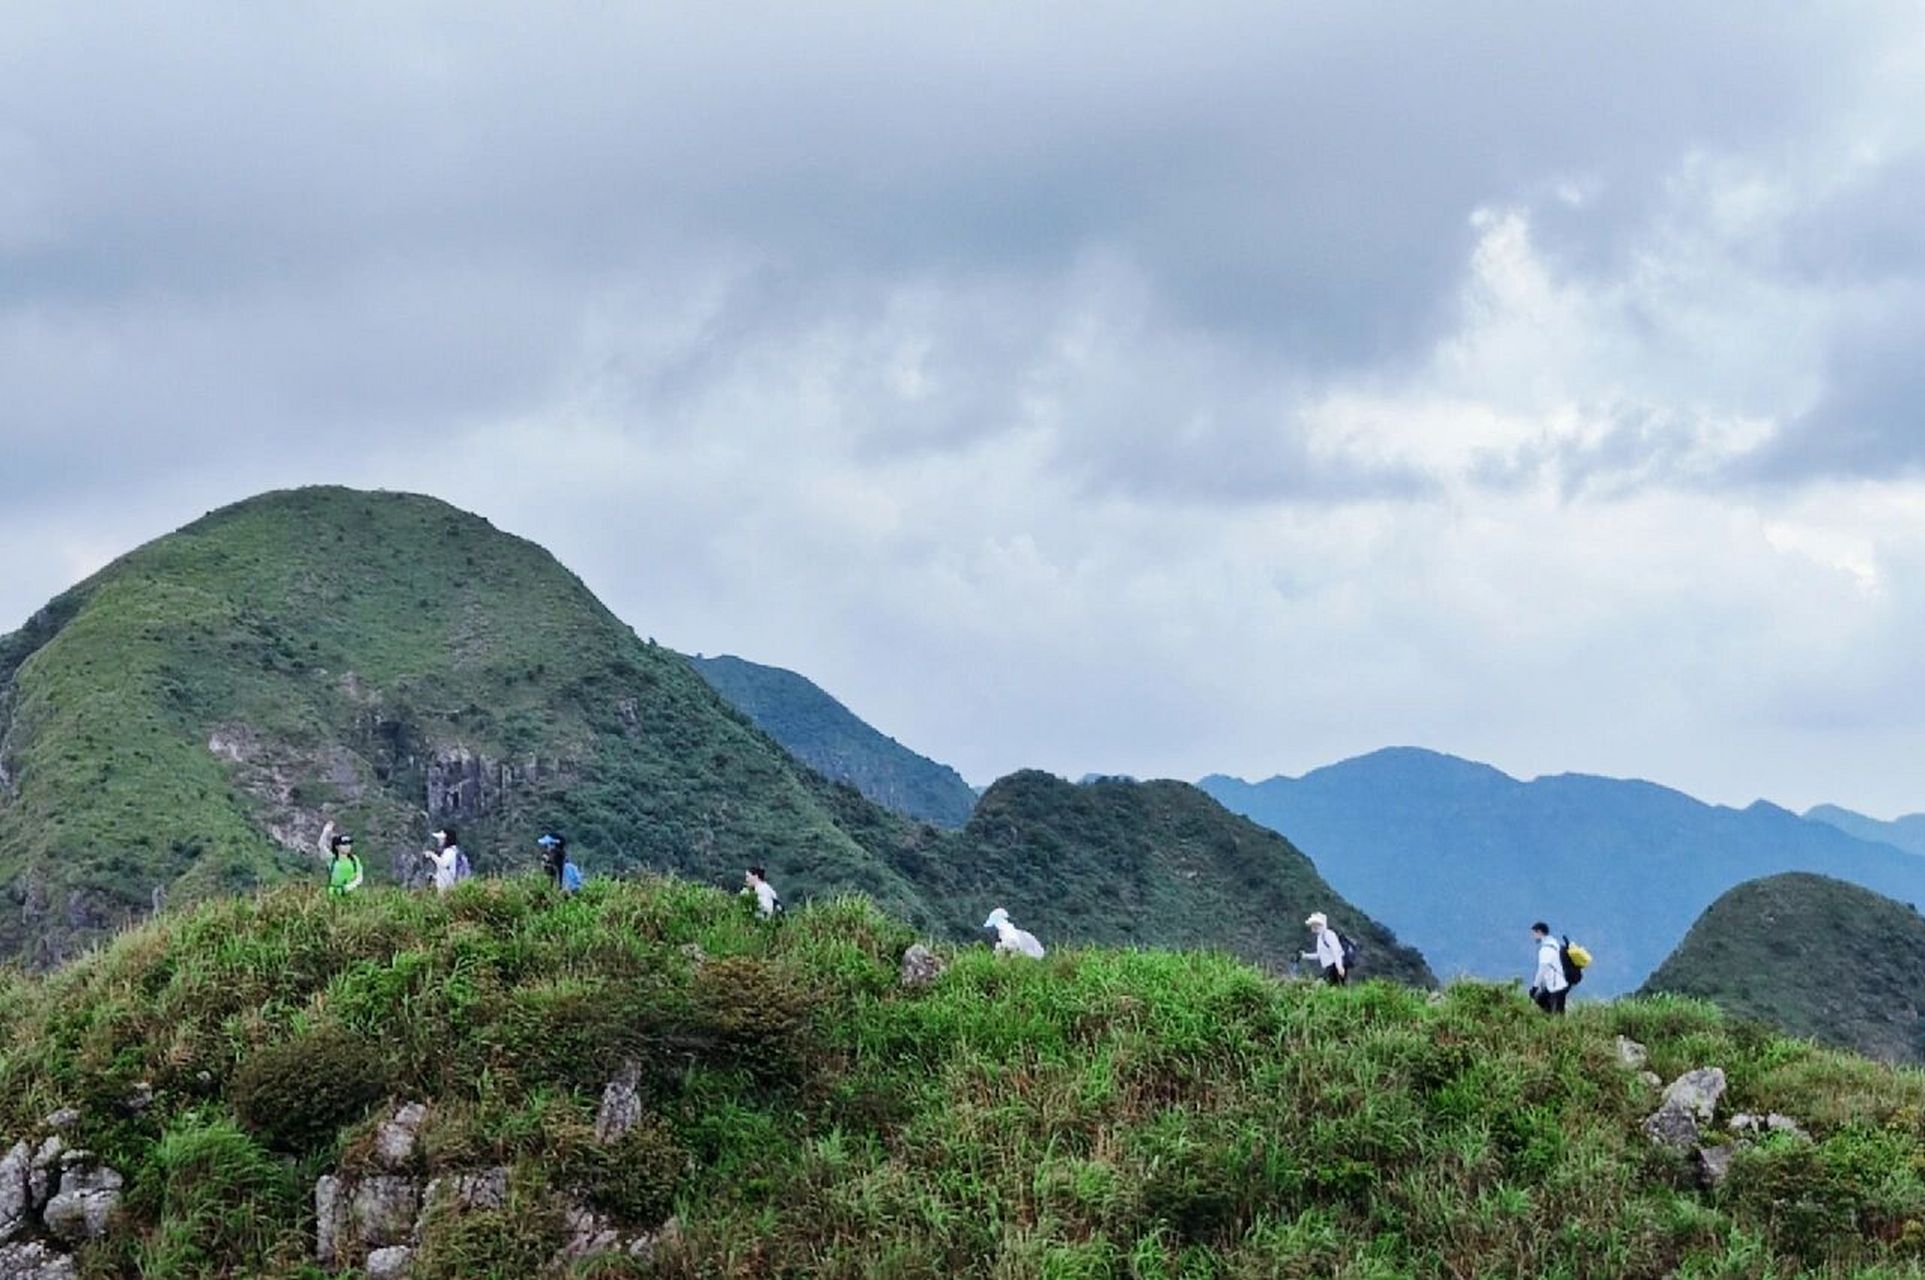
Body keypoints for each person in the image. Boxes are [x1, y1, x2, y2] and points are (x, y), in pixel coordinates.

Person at [1529, 921, 1569, 1014]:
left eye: (1534, 933)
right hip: (1559, 984)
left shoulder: (1546, 949)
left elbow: (1542, 969)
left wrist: (1535, 987)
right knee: (1552, 1009)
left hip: (1555, 986)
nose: (1533, 936)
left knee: (1555, 1012)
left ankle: (1555, 1026)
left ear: (1539, 932)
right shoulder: (1554, 944)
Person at [1302, 912, 1347, 985]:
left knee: (1323, 985)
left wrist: (1339, 967)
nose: (1312, 926)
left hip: (1334, 967)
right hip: (1330, 968)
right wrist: (1305, 956)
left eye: (1314, 924)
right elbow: (1320, 955)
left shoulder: (1328, 934)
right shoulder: (1320, 937)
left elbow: (1336, 951)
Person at [321, 824, 363, 898]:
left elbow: (359, 877)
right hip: (333, 894)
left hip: (351, 894)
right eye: (344, 844)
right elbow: (321, 846)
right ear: (337, 847)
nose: (347, 846)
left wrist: (349, 887)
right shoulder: (331, 858)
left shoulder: (354, 859)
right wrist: (326, 831)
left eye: (349, 844)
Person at [422, 826, 465, 893]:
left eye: (441, 839)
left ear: (446, 839)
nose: (439, 840)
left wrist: (431, 855)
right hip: (446, 886)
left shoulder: (450, 852)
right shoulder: (452, 851)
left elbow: (443, 864)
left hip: (446, 888)